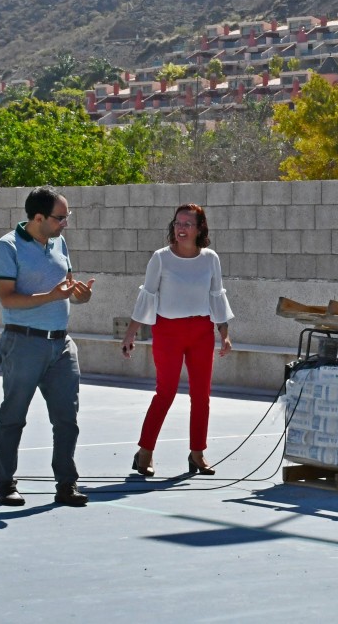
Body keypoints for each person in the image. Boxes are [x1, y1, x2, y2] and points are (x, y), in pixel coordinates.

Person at [0, 186, 94, 507]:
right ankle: (5, 483)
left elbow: (68, 288)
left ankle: (67, 484)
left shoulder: (59, 242)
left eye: (67, 216)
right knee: (13, 417)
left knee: (67, 420)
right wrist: (51, 296)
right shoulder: (8, 246)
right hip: (23, 343)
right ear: (38, 218)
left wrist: (81, 296)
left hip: (61, 345)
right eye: (60, 218)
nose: (66, 223)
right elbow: (7, 299)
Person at [121, 203, 234, 477]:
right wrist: (131, 332)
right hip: (168, 332)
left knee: (201, 395)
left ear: (199, 228)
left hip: (201, 332)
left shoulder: (210, 259)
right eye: (178, 223)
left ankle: (197, 453)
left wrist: (224, 334)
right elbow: (147, 296)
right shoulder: (161, 258)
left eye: (187, 224)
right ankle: (145, 451)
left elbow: (216, 296)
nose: (181, 229)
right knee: (166, 392)